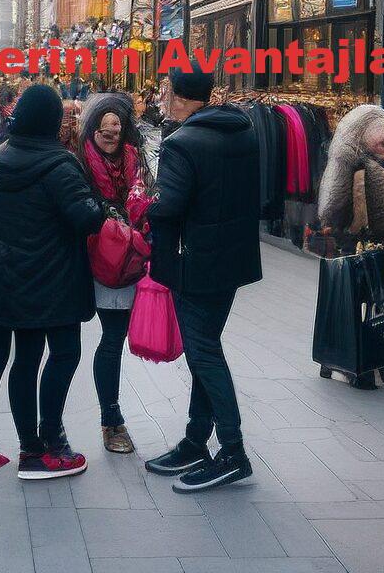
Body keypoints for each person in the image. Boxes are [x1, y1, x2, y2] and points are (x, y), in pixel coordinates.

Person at [0, 84, 105, 479]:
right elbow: (86, 218)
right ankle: (51, 439)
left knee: (25, 361)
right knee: (64, 354)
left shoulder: (0, 159)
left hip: (11, 279)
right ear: (49, 121)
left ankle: (29, 447)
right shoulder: (60, 165)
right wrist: (97, 205)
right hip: (56, 281)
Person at [143, 70, 260, 493]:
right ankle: (196, 440)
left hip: (194, 263)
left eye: (164, 90)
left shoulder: (182, 143)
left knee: (204, 353)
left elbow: (169, 206)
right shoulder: (243, 131)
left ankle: (233, 450)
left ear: (176, 95)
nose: (160, 96)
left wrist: (146, 204)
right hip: (230, 262)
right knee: (204, 348)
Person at [316, 104, 384, 388]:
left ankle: (340, 361)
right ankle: (369, 365)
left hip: (346, 254)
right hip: (373, 259)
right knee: (374, 309)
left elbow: (328, 211)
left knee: (349, 307)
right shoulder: (374, 172)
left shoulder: (340, 164)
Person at [76, 94, 153, 454]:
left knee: (113, 336)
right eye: (104, 128)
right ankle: (100, 420)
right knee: (69, 347)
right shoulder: (78, 161)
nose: (111, 135)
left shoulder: (136, 161)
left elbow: (149, 198)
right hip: (85, 257)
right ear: (93, 129)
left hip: (125, 260)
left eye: (116, 128)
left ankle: (111, 419)